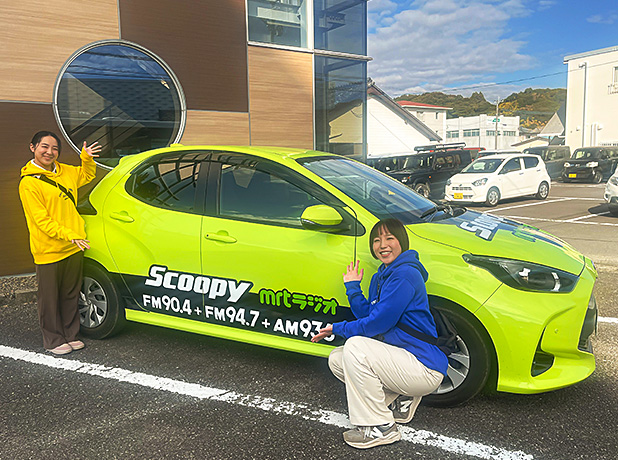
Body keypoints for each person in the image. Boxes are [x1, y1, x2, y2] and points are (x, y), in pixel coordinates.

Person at [311, 218, 448, 449]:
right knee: (337, 358)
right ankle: (402, 398)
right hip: (403, 361)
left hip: (423, 365)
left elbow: (378, 324)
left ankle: (380, 428)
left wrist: (339, 328)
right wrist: (353, 287)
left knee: (355, 347)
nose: (382, 245)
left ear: (401, 242)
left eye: (389, 238)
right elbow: (368, 314)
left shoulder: (405, 274)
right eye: (376, 240)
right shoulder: (381, 276)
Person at [18, 131, 101, 355]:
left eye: (54, 148)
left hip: (74, 245)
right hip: (49, 249)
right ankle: (53, 339)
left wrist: (86, 159)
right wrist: (68, 234)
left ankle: (70, 334)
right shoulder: (29, 183)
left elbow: (87, 175)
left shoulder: (66, 171)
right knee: (49, 298)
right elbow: (41, 220)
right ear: (33, 147)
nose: (49, 152)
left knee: (70, 294)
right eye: (44, 147)